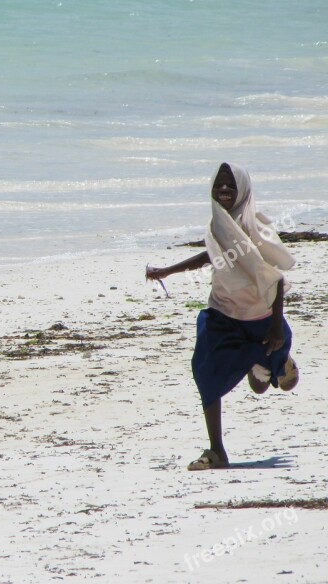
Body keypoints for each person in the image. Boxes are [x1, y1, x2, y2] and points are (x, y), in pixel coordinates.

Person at [146, 163, 299, 471]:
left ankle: (275, 362)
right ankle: (217, 451)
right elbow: (212, 256)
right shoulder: (217, 223)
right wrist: (169, 270)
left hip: (259, 316)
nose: (224, 190)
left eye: (230, 185)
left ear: (242, 189)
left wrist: (276, 326)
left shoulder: (255, 226)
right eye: (219, 184)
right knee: (205, 371)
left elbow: (277, 279)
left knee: (266, 387)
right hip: (222, 312)